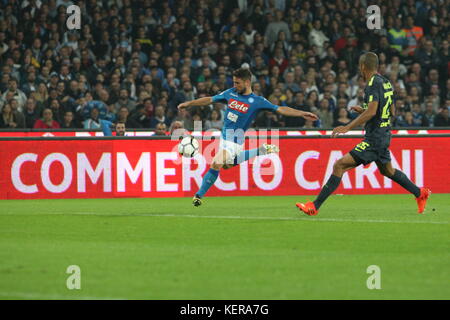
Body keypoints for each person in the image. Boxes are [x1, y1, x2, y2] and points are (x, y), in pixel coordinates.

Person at [296, 52, 431, 216]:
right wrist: (364, 110)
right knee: (387, 171)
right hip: (384, 134)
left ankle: (314, 206)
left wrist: (347, 126)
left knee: (339, 165)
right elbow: (391, 111)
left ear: (362, 67)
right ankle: (420, 193)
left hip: (375, 138)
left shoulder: (372, 83)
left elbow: (373, 111)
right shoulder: (386, 82)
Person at [177, 68, 318, 207]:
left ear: (247, 82)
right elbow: (210, 100)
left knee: (216, 163)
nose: (235, 85)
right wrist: (190, 104)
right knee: (226, 166)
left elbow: (280, 109)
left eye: (237, 83)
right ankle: (260, 150)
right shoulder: (230, 93)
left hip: (235, 141)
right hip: (224, 137)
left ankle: (198, 196)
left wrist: (301, 113)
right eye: (234, 82)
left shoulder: (257, 101)